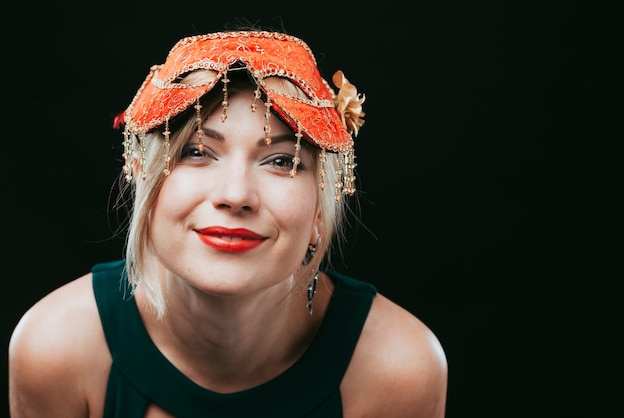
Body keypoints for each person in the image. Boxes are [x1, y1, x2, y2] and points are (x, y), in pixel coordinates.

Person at [9, 29, 448, 417]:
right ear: (145, 180)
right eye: (197, 152)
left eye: (281, 160)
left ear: (319, 209)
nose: (235, 195)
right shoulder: (56, 347)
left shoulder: (400, 366)